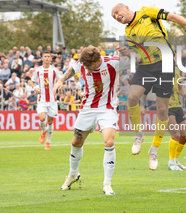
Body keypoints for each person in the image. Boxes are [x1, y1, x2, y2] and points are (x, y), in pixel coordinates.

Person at [111, 3, 186, 170]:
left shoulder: (146, 12)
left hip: (165, 65)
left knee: (162, 111)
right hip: (146, 67)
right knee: (131, 98)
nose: (117, 17)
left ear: (126, 7)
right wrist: (127, 52)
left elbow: (172, 17)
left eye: (117, 13)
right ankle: (138, 135)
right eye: (114, 17)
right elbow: (137, 57)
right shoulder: (128, 32)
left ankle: (153, 151)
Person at [53, 46, 129, 195]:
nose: (85, 69)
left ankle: (107, 184)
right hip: (87, 108)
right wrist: (60, 81)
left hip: (107, 108)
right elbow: (72, 70)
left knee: (109, 142)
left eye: (89, 66)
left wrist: (130, 52)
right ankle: (73, 175)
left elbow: (140, 61)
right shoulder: (83, 62)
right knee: (76, 142)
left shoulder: (113, 63)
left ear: (98, 60)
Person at [30, 51, 62, 150]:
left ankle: (48, 142)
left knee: (50, 121)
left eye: (48, 56)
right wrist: (35, 87)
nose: (47, 58)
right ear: (42, 58)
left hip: (52, 100)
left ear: (51, 58)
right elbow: (31, 81)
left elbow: (61, 80)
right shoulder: (38, 70)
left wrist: (58, 87)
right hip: (42, 99)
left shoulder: (55, 70)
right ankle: (43, 131)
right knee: (42, 118)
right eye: (45, 56)